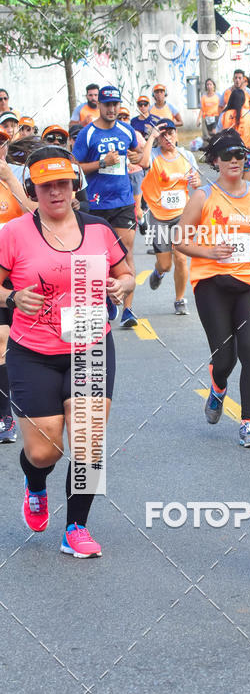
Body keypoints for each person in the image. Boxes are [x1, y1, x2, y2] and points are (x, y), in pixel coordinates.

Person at [0, 145, 134, 554]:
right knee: (45, 451)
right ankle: (35, 482)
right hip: (33, 352)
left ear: (75, 186)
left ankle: (76, 528)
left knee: (88, 442)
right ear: (32, 190)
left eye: (63, 183)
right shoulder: (14, 233)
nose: (56, 192)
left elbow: (127, 273)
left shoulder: (99, 230)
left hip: (91, 345)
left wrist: (122, 286)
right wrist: (11, 298)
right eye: (46, 186)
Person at [174, 129, 250, 447]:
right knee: (224, 359)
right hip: (212, 284)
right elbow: (179, 240)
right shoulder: (203, 197)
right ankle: (218, 387)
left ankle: (248, 425)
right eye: (227, 155)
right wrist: (208, 252)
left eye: (239, 155)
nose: (234, 160)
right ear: (215, 161)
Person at [72, 85, 142, 328]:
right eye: (107, 104)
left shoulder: (126, 130)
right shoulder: (87, 134)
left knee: (125, 252)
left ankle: (128, 310)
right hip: (96, 204)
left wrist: (136, 157)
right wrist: (102, 163)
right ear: (99, 105)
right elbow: (75, 167)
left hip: (123, 201)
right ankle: (104, 298)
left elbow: (139, 155)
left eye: (115, 104)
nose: (112, 109)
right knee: (97, 257)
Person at [141, 118, 201, 314]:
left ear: (176, 135)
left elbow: (197, 181)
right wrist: (151, 137)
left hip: (182, 215)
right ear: (159, 138)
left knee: (181, 258)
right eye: (163, 135)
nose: (167, 138)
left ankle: (179, 300)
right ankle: (158, 272)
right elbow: (143, 163)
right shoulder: (154, 155)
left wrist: (196, 181)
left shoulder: (186, 155)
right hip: (158, 217)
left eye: (170, 133)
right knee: (166, 265)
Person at [0, 130, 33, 444]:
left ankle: (9, 413)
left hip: (18, 274)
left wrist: (9, 178)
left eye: (0, 142)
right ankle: (4, 415)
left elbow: (38, 216)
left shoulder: (18, 178)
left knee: (13, 342)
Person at [217, 88, 250, 183]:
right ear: (243, 100)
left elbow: (219, 137)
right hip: (249, 153)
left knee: (233, 185)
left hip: (230, 154)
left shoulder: (224, 116)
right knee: (248, 185)